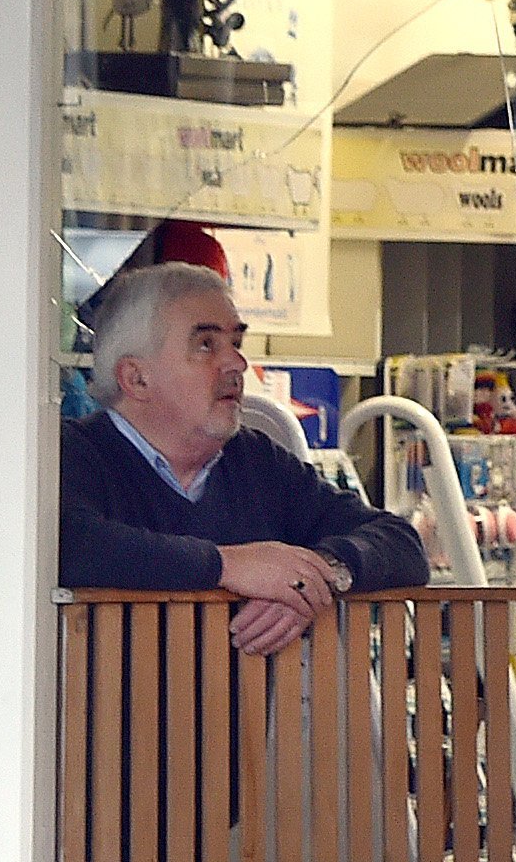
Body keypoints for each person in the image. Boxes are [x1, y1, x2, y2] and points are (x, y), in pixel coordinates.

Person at [60, 262, 429, 652]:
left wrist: (310, 577)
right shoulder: (71, 453)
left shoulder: (256, 461)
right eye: (206, 345)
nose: (237, 363)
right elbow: (69, 545)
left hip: (246, 715)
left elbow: (402, 543)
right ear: (136, 378)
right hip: (96, 712)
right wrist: (228, 567)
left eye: (235, 343)